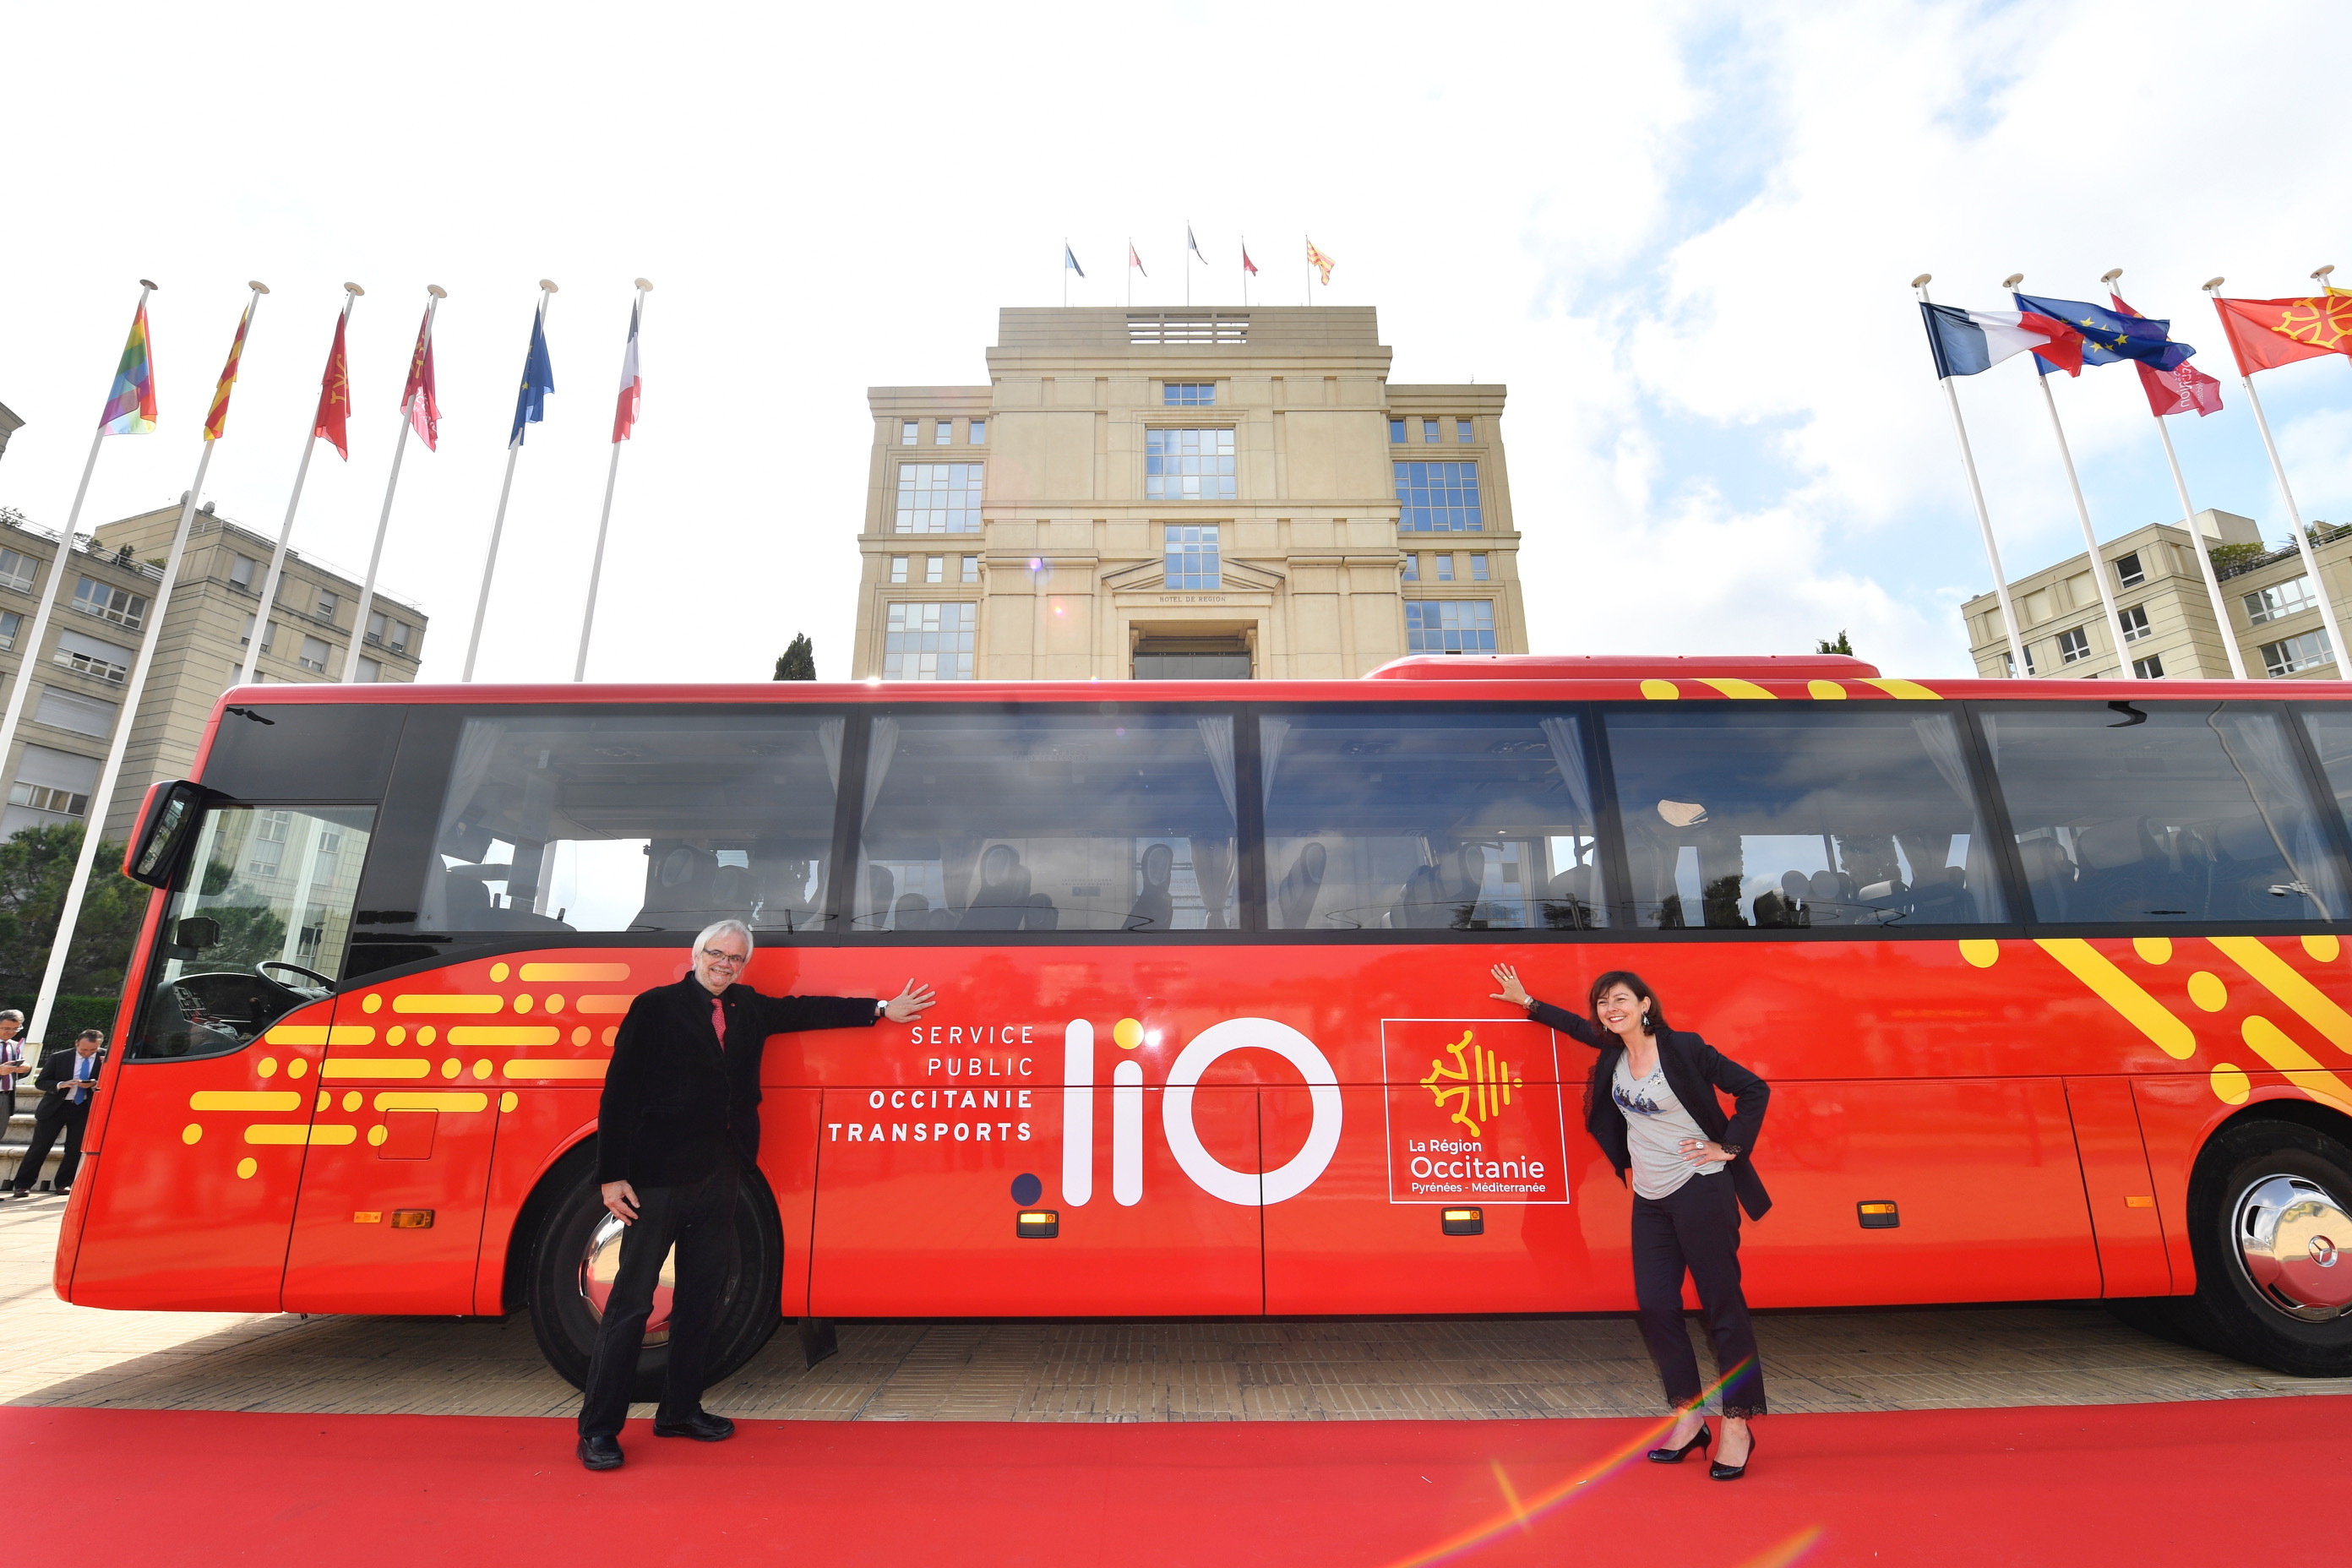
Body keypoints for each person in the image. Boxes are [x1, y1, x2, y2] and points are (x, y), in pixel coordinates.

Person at [577, 919, 936, 1472]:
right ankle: (599, 1429)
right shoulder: (655, 1007)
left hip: (721, 1173)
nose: (725, 964)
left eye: (735, 959)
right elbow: (620, 1091)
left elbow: (809, 1010)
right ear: (696, 955)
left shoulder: (748, 1007)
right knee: (632, 1303)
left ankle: (679, 1410)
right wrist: (611, 1175)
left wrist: (882, 1008)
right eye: (717, 955)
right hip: (659, 1176)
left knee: (701, 1300)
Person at [1489, 963, 1770, 1480]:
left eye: (1621, 999)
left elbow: (1754, 1089)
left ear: (1645, 1004)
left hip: (1702, 1189)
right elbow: (1576, 1027)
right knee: (1658, 1307)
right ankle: (1690, 1419)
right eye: (1603, 1003)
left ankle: (1737, 1424)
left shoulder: (1685, 1049)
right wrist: (1526, 1002)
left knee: (1721, 1306)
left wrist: (1728, 1146)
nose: (1610, 1009)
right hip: (1650, 1197)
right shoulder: (1614, 1053)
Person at [8, 1030, 106, 1199]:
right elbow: (41, 1082)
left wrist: (95, 1083)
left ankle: (64, 1184)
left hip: (84, 1108)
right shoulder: (59, 1057)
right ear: (76, 1044)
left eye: (92, 1050)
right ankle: (23, 1185)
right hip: (56, 1107)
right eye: (83, 1050)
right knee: (40, 1147)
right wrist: (61, 1084)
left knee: (75, 1149)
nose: (88, 1053)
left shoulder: (105, 1057)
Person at [0, 1011, 26, 1130]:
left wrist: (25, 1069)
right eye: (6, 1028)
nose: (11, 1032)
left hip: (6, 1097)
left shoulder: (15, 1046)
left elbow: (16, 1073)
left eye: (16, 1028)